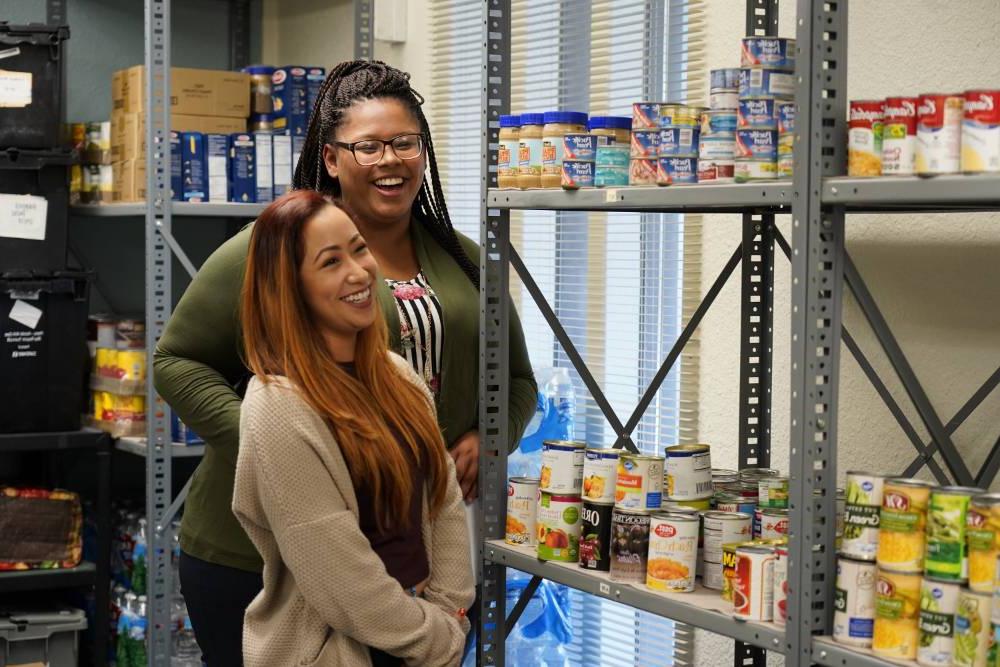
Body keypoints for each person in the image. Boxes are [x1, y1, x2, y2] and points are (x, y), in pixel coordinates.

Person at [153, 59, 536, 666]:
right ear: (331, 158)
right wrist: (283, 454)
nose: (390, 160)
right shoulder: (274, 246)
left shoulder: (462, 258)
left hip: (405, 551)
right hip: (261, 562)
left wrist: (491, 438)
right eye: (368, 146)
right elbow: (176, 361)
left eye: (404, 143)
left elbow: (515, 380)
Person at [232, 190, 473, 667]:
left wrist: (450, 611)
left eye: (359, 249)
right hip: (338, 646)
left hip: (423, 633)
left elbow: (442, 498)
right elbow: (339, 574)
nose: (359, 272)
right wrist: (435, 639)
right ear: (290, 287)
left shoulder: (396, 375)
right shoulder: (277, 406)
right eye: (330, 262)